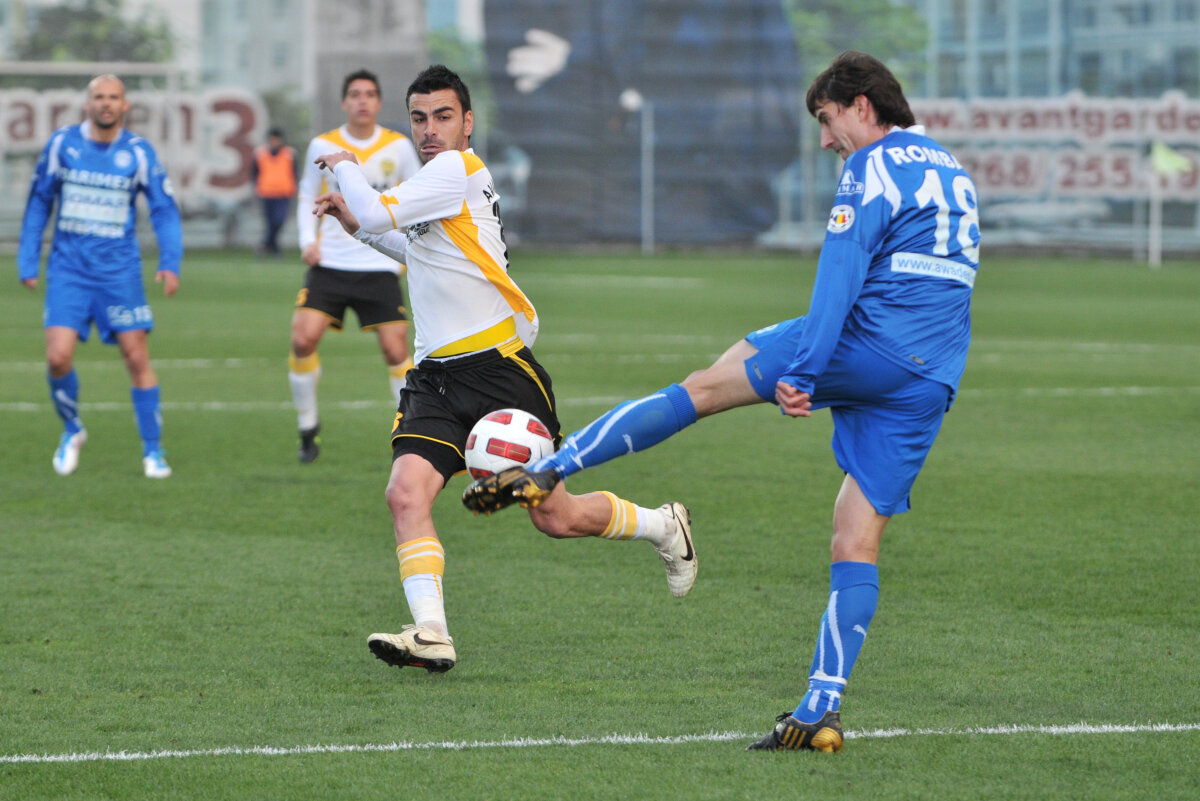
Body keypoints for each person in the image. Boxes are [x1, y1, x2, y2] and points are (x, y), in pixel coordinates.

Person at [464, 51, 981, 752]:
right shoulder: (951, 167)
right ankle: (819, 710)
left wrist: (809, 367)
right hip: (931, 373)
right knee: (854, 534)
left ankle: (553, 466)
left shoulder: (871, 166)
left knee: (705, 388)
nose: (826, 140)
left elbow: (840, 271)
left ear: (863, 104)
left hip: (868, 340)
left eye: (827, 121)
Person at [311, 64, 697, 675]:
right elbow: (413, 247)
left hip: (498, 371)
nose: (429, 129)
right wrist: (353, 226)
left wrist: (344, 162)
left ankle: (661, 524)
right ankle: (432, 632)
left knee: (554, 516)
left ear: (468, 122)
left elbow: (380, 211)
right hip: (434, 378)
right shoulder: (438, 182)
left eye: (442, 116)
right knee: (405, 494)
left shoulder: (457, 168)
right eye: (418, 118)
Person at [17, 74, 183, 479]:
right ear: (87, 104)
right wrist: (27, 259)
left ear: (125, 106)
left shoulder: (139, 153)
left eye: (113, 97)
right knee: (57, 358)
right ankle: (72, 429)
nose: (106, 103)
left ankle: (153, 450)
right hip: (68, 269)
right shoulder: (62, 144)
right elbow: (39, 200)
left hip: (119, 273)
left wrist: (170, 260)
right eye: (99, 97)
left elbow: (162, 207)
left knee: (136, 357)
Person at [289, 69, 423, 463]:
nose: (362, 101)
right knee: (302, 340)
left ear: (379, 103)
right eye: (354, 95)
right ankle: (307, 425)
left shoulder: (397, 147)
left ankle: (411, 431)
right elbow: (305, 198)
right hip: (330, 262)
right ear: (345, 103)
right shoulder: (324, 144)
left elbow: (416, 199)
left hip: (379, 264)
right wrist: (306, 241)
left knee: (396, 348)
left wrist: (409, 250)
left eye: (369, 94)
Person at [251, 127, 297, 258]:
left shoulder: (290, 153)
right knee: (270, 222)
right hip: (266, 192)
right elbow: (254, 173)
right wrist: (256, 186)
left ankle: (265, 244)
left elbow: (294, 172)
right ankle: (275, 248)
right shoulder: (260, 153)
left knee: (279, 221)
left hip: (284, 192)